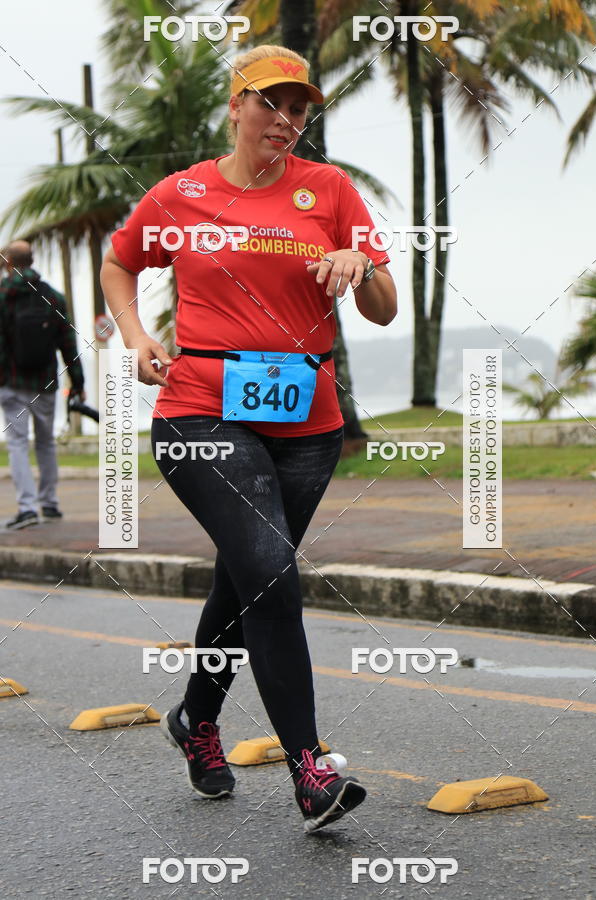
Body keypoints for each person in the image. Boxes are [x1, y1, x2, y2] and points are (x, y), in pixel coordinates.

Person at [101, 44, 397, 833]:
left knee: (248, 581)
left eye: (300, 108)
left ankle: (196, 718)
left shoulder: (329, 190)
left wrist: (356, 260)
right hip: (201, 408)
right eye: (271, 102)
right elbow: (119, 263)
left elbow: (385, 307)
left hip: (309, 426)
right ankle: (310, 768)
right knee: (271, 572)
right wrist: (134, 337)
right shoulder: (183, 193)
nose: (287, 120)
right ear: (235, 105)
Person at [0, 240, 85, 530]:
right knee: (46, 443)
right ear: (32, 261)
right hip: (46, 383)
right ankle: (49, 503)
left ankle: (27, 508)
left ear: (8, 262)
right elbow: (68, 343)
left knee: (18, 444)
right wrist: (78, 382)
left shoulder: (3, 295)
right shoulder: (53, 297)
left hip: (11, 382)